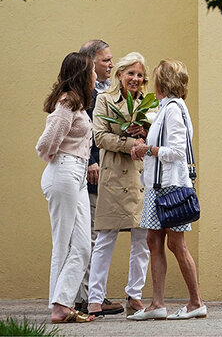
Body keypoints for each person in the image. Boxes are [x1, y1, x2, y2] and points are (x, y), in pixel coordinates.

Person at [128, 59, 206, 320]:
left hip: (170, 186)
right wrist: (147, 135)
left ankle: (196, 302)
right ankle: (157, 304)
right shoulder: (167, 108)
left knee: (176, 243)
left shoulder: (173, 109)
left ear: (163, 82)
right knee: (155, 241)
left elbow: (176, 151)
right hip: (158, 185)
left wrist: (146, 149)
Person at [88, 52, 152, 316]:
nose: (135, 79)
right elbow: (100, 136)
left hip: (139, 177)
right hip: (114, 176)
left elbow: (157, 135)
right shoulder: (104, 100)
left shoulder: (150, 104)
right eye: (131, 74)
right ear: (120, 75)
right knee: (105, 237)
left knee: (142, 239)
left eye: (139, 75)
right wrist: (130, 144)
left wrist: (145, 134)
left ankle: (134, 296)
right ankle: (95, 298)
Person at [36, 52, 97, 324]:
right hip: (65, 172)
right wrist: (56, 159)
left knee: (82, 246)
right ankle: (59, 306)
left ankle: (62, 303)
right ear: (83, 74)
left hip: (77, 175)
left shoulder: (79, 104)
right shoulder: (67, 102)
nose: (96, 76)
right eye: (93, 71)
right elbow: (46, 142)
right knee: (63, 243)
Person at [74, 40, 123, 316]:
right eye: (106, 60)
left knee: (95, 232)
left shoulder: (102, 90)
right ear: (91, 62)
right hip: (91, 171)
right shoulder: (86, 93)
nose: (111, 64)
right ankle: (88, 297)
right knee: (92, 233)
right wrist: (92, 160)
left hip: (103, 171)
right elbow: (88, 132)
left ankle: (90, 294)